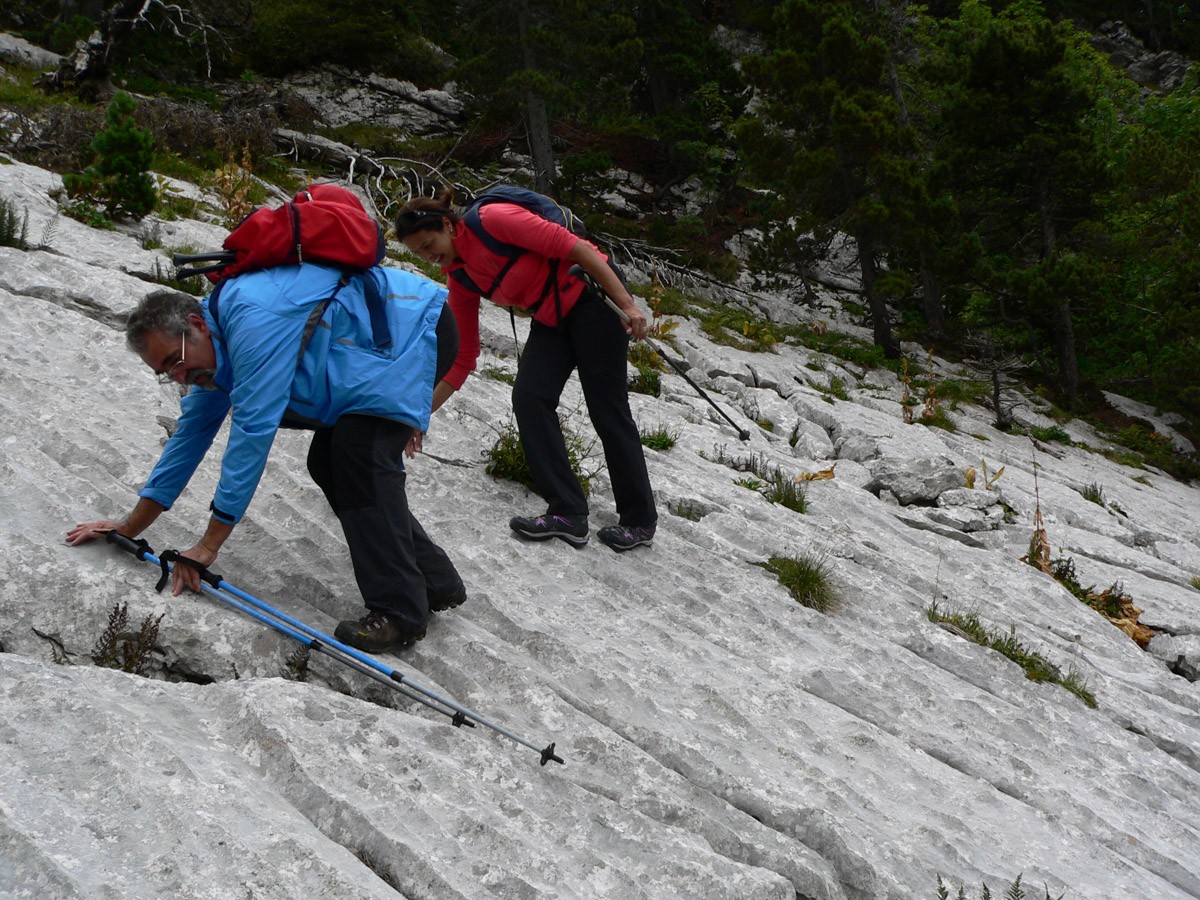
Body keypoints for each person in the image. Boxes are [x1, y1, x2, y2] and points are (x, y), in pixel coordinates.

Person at [66, 263, 465, 653]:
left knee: (358, 455)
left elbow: (251, 438)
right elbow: (189, 439)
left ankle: (400, 612)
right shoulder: (212, 353)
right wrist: (129, 526)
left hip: (415, 327)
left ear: (197, 324)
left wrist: (207, 546)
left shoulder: (251, 324)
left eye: (176, 361)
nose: (179, 377)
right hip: (374, 343)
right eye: (166, 372)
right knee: (328, 462)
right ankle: (434, 580)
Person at [393, 189, 657, 552]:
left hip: (593, 299)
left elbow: (579, 249)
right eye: (419, 253)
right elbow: (463, 357)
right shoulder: (461, 278)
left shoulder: (492, 220)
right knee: (530, 398)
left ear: (447, 225)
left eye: (428, 244)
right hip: (552, 317)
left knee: (606, 408)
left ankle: (639, 520)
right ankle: (567, 512)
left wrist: (627, 304)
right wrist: (418, 417)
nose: (428, 256)